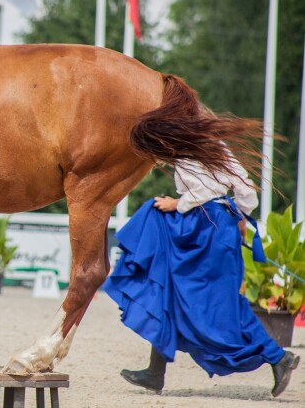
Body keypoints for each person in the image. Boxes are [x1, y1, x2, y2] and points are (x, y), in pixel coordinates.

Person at [103, 157, 300, 397]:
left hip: (203, 229)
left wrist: (177, 204)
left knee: (220, 308)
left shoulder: (189, 150)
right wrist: (237, 214)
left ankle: (279, 357)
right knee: (174, 292)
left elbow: (202, 191)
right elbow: (247, 190)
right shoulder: (216, 146)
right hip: (217, 225)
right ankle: (155, 372)